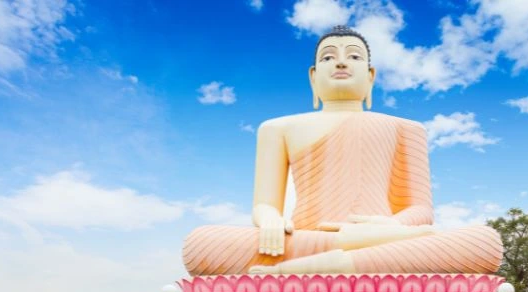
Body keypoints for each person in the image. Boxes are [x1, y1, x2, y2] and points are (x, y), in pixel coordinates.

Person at [183, 25, 502, 276]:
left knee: (483, 241)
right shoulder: (277, 128)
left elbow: (420, 211)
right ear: (313, 76)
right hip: (305, 241)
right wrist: (269, 220)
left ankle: (308, 269)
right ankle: (343, 256)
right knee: (201, 244)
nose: (340, 62)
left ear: (371, 75)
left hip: (386, 236)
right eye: (327, 57)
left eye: (353, 56)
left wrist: (389, 228)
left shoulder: (405, 128)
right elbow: (265, 205)